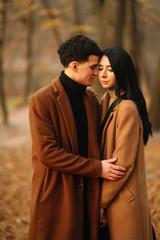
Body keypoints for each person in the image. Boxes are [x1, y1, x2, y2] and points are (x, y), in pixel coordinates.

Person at [28, 35, 126, 240]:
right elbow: (48, 153)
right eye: (93, 67)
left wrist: (101, 203)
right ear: (74, 65)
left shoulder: (91, 99)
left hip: (88, 197)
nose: (97, 74)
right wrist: (98, 168)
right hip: (57, 196)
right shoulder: (42, 100)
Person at [98, 46, 154, 240]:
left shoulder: (127, 108)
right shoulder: (105, 100)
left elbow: (121, 165)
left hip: (122, 199)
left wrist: (100, 203)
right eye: (100, 68)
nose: (103, 74)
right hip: (111, 194)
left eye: (110, 70)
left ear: (122, 72)